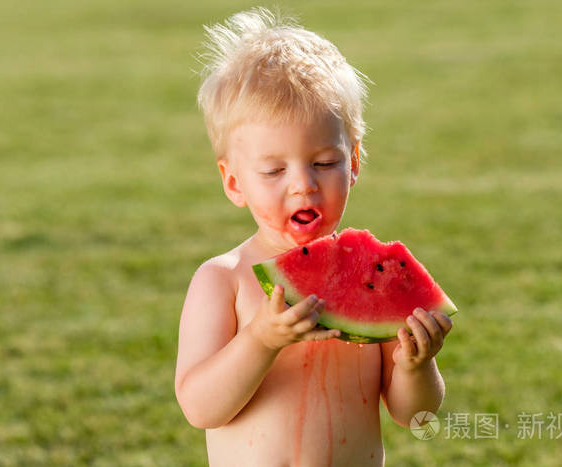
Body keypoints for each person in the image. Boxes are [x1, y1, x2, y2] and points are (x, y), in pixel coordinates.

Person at [175, 7, 453, 466]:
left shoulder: (375, 277)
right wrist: (261, 340)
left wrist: (416, 365)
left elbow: (414, 414)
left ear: (355, 161)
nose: (303, 184)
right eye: (274, 170)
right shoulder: (223, 279)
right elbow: (201, 407)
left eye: (324, 163)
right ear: (234, 183)